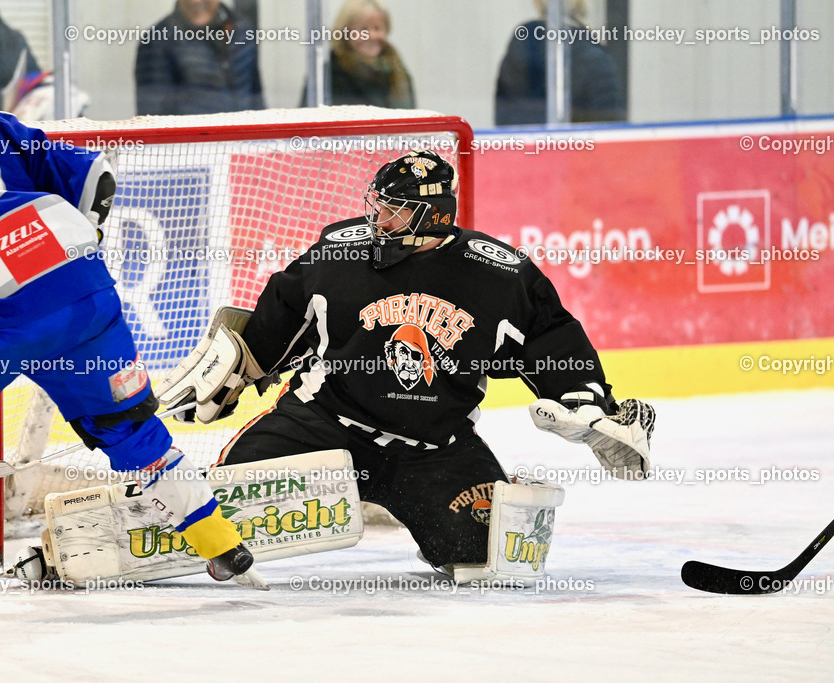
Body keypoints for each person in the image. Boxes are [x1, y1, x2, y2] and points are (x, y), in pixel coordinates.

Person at [0, 64, 257, 617]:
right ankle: (225, 550)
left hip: (4, 306)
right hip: (87, 281)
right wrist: (69, 256)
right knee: (128, 427)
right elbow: (97, 177)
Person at [179, 149, 653, 574]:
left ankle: (464, 509)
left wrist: (587, 403)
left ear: (432, 217)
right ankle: (175, 505)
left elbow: (551, 337)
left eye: (394, 211)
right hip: (321, 426)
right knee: (216, 516)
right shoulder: (338, 253)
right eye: (378, 206)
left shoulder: (498, 275)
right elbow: (281, 316)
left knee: (486, 558)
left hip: (435, 451)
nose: (378, 219)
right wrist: (239, 365)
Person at [495, 0, 625, 125]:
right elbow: (610, 126)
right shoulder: (595, 57)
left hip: (526, 146)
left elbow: (505, 119)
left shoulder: (520, 47)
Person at [134, 0, 264, 116]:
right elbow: (153, 121)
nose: (195, 2)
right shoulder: (157, 41)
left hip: (245, 138)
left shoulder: (242, 30)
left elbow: (256, 97)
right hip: (192, 141)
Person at [313, 0, 414, 108]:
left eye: (377, 28)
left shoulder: (397, 71)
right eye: (363, 30)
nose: (372, 36)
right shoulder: (327, 75)